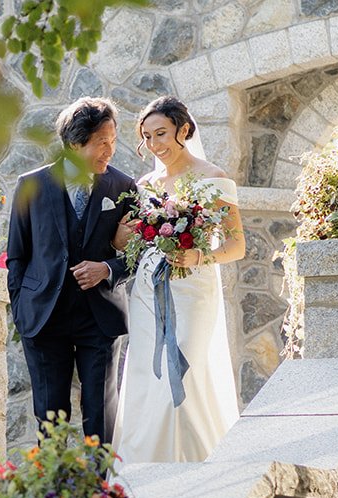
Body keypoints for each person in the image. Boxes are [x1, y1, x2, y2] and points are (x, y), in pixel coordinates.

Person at [114, 95, 245, 463]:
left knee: (185, 367)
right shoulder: (145, 184)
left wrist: (199, 255)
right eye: (147, 137)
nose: (155, 145)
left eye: (161, 134)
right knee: (146, 369)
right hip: (147, 289)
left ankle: (195, 461)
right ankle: (142, 465)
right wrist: (125, 234)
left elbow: (236, 246)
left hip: (193, 288)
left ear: (183, 130)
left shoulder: (214, 178)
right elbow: (129, 242)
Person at [5, 97, 136, 444]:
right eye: (101, 142)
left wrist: (107, 268)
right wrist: (21, 310)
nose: (110, 150)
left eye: (112, 140)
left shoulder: (123, 188)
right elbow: (16, 256)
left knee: (101, 414)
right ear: (75, 143)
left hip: (100, 317)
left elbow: (139, 254)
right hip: (44, 317)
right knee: (50, 419)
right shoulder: (30, 185)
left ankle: (99, 495)